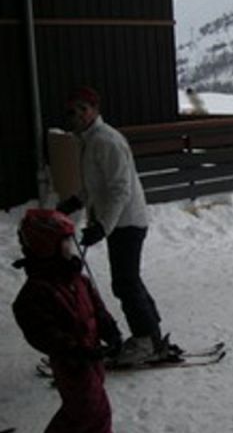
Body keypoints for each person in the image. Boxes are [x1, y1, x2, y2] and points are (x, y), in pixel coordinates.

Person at [12, 209, 136, 433]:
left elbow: (97, 309)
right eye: (65, 242)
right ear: (47, 247)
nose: (72, 248)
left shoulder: (78, 280)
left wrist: (111, 331)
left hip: (92, 356)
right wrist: (72, 349)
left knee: (78, 409)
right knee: (95, 408)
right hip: (70, 361)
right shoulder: (36, 292)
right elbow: (41, 332)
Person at [56, 86, 167, 365]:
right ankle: (151, 335)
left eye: (81, 110)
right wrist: (75, 201)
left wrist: (102, 226)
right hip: (118, 221)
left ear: (93, 110)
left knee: (125, 282)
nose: (76, 116)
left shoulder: (106, 141)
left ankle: (146, 341)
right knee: (129, 279)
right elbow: (97, 185)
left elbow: (120, 190)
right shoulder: (89, 140)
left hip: (126, 221)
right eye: (72, 111)